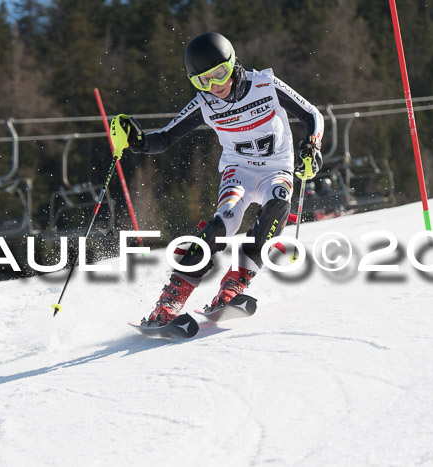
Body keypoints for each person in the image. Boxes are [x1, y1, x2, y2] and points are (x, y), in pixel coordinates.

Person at [112, 32, 324, 326]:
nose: (215, 87)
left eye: (220, 74)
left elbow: (312, 114)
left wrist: (310, 146)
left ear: (233, 63)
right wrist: (136, 141)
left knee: (278, 204)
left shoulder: (265, 85)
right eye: (203, 81)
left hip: (277, 168)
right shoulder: (205, 103)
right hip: (239, 171)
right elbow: (165, 137)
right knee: (222, 224)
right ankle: (169, 302)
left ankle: (233, 285)